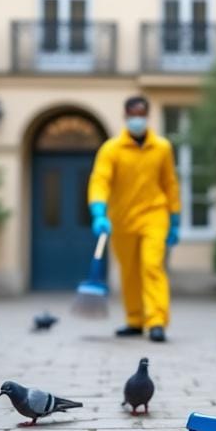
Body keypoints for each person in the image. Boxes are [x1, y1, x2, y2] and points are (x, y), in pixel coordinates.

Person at [87, 95, 182, 343]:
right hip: (122, 219)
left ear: (147, 116)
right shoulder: (111, 149)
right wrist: (98, 212)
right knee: (129, 271)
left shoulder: (162, 147)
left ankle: (157, 321)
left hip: (155, 215)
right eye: (132, 115)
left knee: (152, 266)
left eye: (141, 115)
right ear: (125, 117)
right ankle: (135, 320)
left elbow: (170, 183)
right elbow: (100, 181)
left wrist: (175, 218)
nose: (136, 119)